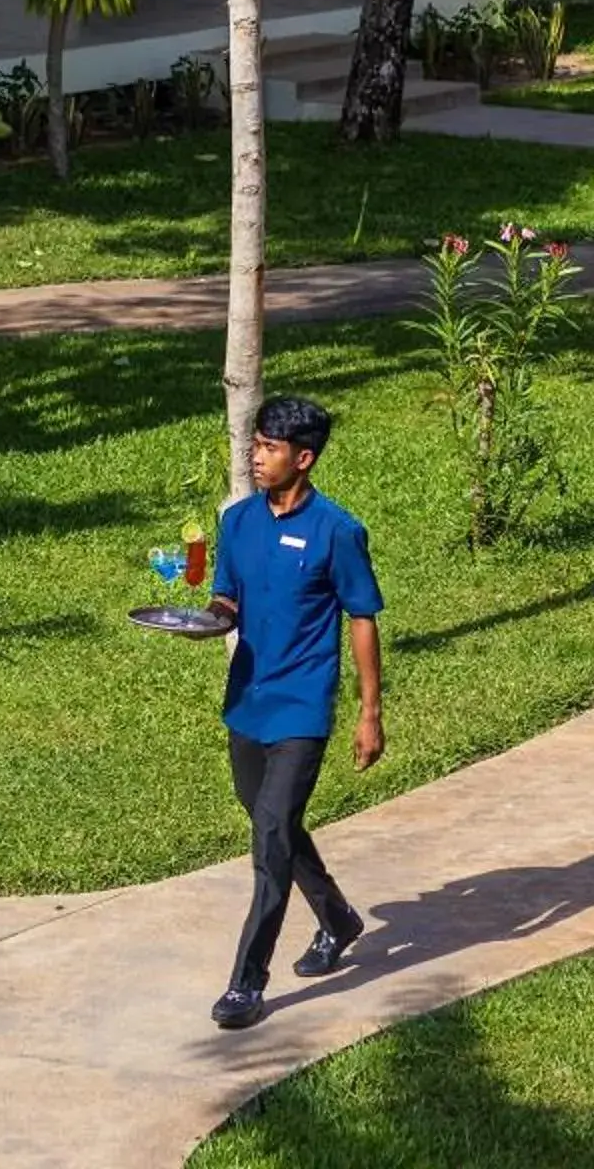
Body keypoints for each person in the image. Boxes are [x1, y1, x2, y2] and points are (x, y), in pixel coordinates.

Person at [201, 394, 385, 1030]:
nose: (256, 457)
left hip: (302, 707)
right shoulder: (237, 521)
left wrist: (369, 712)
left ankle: (246, 983)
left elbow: (361, 618)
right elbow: (227, 597)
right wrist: (208, 619)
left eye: (269, 448)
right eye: (255, 445)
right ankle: (337, 918)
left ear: (303, 459)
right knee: (268, 819)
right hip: (248, 700)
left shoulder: (337, 531)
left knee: (272, 835)